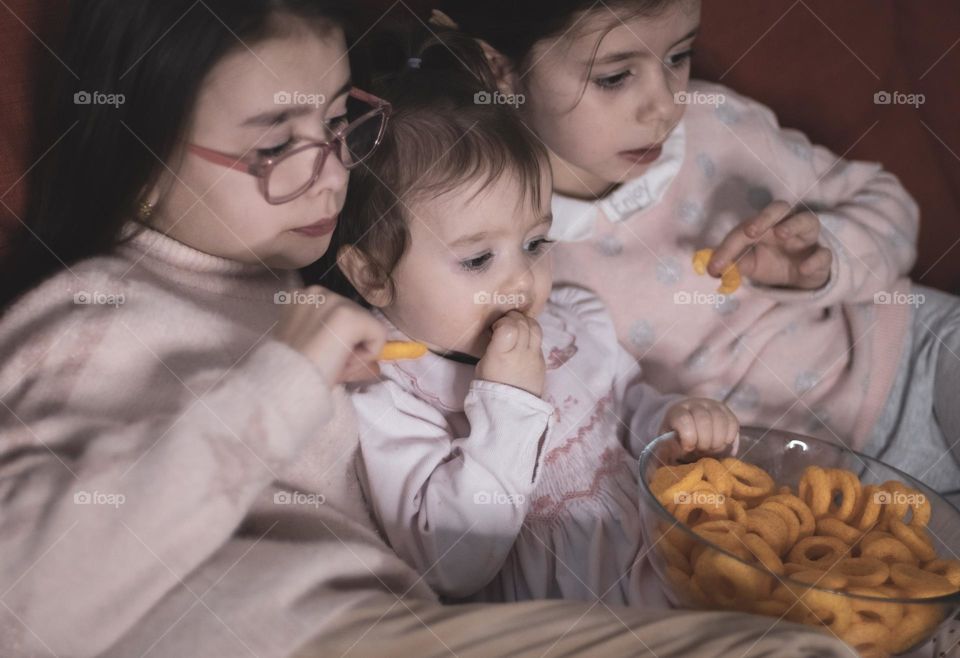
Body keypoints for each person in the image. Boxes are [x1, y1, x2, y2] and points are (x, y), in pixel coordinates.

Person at [0, 1, 856, 656]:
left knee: (799, 641)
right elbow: (25, 607)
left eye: (339, 124)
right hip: (298, 635)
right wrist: (280, 385)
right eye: (276, 144)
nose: (334, 172)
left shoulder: (313, 275)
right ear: (140, 162)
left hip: (417, 619)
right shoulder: (92, 317)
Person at [436, 0, 960, 505]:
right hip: (778, 484)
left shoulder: (721, 127)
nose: (665, 105)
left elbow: (890, 206)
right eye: (615, 77)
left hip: (910, 362)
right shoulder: (499, 241)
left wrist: (826, 259)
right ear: (498, 69)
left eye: (678, 57)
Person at [326, 33, 739, 606]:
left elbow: (631, 409)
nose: (521, 280)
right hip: (566, 616)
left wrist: (678, 426)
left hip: (669, 572)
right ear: (372, 275)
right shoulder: (390, 392)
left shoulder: (573, 324)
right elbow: (450, 563)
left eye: (536, 241)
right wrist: (508, 401)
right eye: (476, 259)